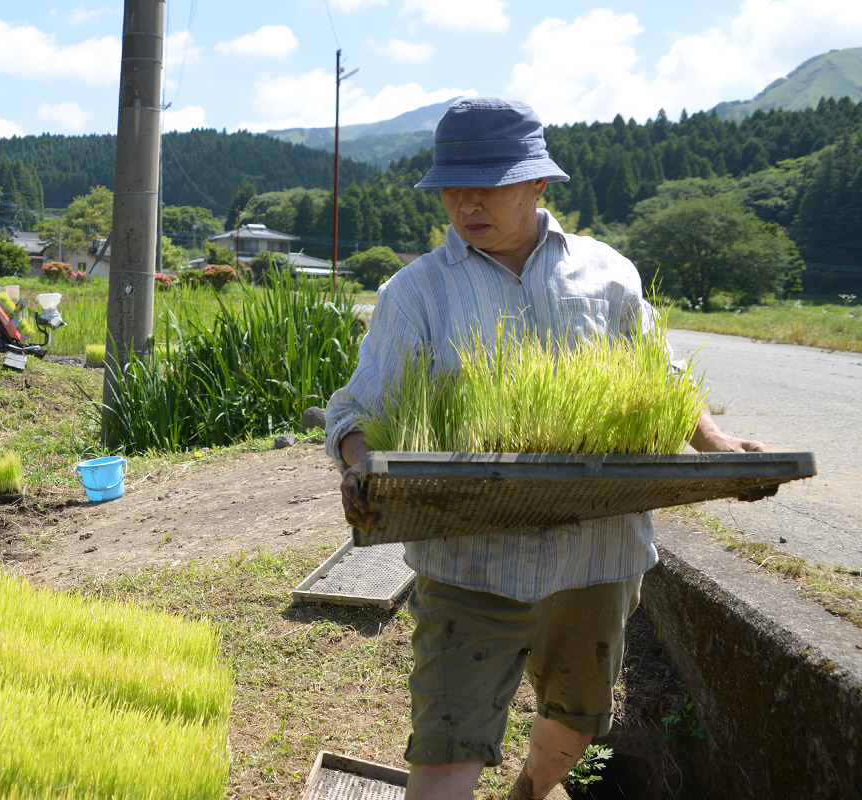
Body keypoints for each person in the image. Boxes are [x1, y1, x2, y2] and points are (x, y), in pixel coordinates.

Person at [323, 97, 764, 800]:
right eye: (452, 187)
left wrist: (716, 441)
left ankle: (533, 787)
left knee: (574, 722)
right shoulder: (416, 293)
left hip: (596, 557)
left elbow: (661, 377)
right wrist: (361, 466)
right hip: (469, 562)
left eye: (489, 183)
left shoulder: (607, 274)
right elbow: (357, 410)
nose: (466, 201)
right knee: (443, 756)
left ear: (537, 184)